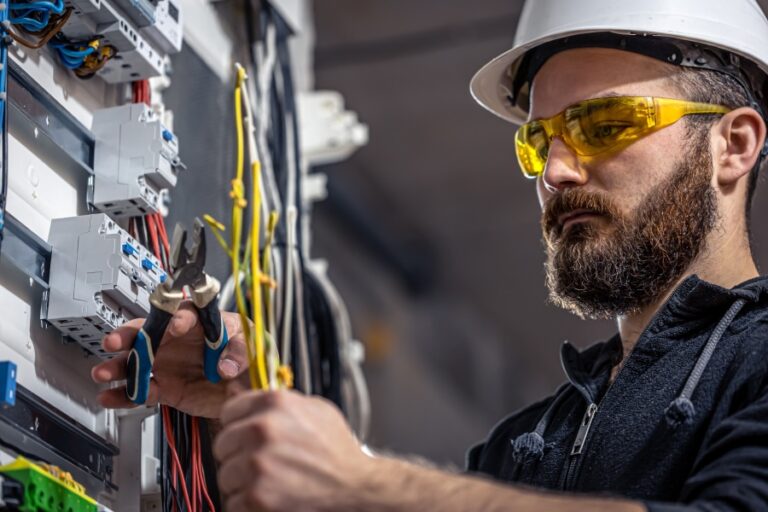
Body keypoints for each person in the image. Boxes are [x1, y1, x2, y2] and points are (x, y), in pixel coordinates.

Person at [91, 0, 768, 510]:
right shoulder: (526, 444)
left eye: (603, 125)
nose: (556, 171)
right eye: (540, 141)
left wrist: (363, 483)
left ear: (733, 145)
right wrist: (253, 413)